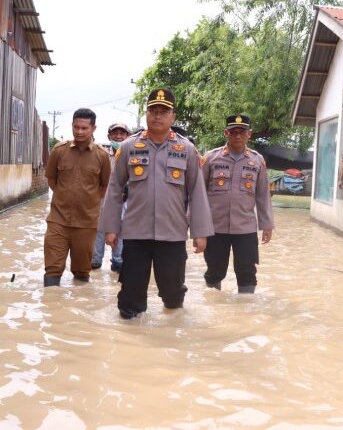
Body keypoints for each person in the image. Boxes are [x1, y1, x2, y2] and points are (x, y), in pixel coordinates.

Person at [100, 88, 214, 319]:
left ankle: (171, 338)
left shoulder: (187, 150)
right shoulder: (129, 147)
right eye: (153, 110)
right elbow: (114, 189)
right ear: (146, 113)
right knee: (130, 299)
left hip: (172, 235)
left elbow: (197, 192)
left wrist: (200, 233)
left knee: (173, 295)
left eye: (164, 111)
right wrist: (111, 228)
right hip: (135, 234)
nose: (158, 116)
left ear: (173, 116)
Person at [201, 114, 274, 294]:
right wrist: (196, 226)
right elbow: (198, 194)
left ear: (249, 134)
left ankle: (246, 312)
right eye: (233, 132)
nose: (238, 136)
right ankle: (213, 307)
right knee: (214, 272)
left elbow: (263, 195)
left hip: (246, 229)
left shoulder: (257, 161)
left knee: (247, 273)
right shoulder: (210, 158)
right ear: (226, 133)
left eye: (242, 132)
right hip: (215, 228)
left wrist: (267, 225)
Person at [43, 108, 111, 287]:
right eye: (76, 127)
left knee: (82, 271)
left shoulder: (102, 156)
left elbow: (104, 186)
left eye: (84, 128)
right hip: (58, 220)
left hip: (86, 224)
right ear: (72, 126)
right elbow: (51, 179)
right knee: (52, 269)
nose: (79, 132)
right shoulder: (59, 151)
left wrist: (90, 201)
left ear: (93, 128)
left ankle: (79, 305)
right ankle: (51, 307)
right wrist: (64, 196)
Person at [92, 122, 131, 273]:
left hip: (125, 202)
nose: (119, 136)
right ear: (109, 136)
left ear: (128, 136)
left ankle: (117, 263)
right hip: (102, 202)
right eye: (115, 133)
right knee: (99, 232)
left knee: (121, 233)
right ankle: (95, 263)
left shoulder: (133, 154)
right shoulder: (101, 155)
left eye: (122, 133)